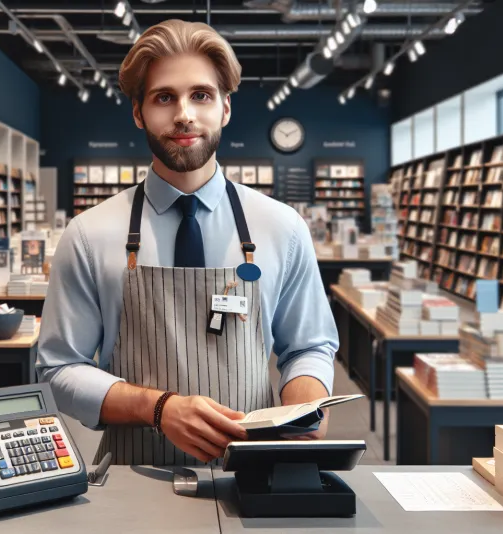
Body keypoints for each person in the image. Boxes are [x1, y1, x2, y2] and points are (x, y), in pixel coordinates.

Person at [37, 19, 338, 466]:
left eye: (201, 95)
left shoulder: (282, 228)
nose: (184, 114)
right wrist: (157, 408)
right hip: (132, 481)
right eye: (164, 97)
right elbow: (59, 368)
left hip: (254, 474)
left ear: (225, 108)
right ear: (138, 112)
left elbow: (309, 346)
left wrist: (304, 412)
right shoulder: (88, 235)